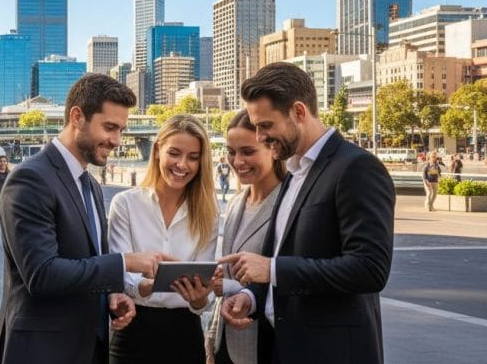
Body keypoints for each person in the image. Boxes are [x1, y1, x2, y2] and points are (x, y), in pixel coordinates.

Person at [219, 62, 395, 364]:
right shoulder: (294, 173)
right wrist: (251, 298)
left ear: (299, 112)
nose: (259, 136)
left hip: (331, 353)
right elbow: (286, 256)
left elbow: (369, 269)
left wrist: (272, 269)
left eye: (265, 125)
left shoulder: (356, 167)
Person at [0, 73, 175, 364]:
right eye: (110, 127)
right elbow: (42, 274)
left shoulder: (90, 184)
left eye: (121, 130)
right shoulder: (30, 179)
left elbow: (88, 260)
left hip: (87, 348)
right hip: (43, 351)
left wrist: (112, 295)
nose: (116, 140)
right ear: (77, 117)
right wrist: (125, 262)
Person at [107, 115, 219, 364]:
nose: (182, 165)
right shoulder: (125, 204)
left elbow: (205, 295)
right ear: (157, 150)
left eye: (193, 157)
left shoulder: (208, 213)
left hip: (185, 333)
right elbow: (119, 273)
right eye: (174, 153)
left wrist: (200, 297)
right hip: (133, 329)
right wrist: (148, 285)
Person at [206, 111, 286, 364]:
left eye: (248, 151)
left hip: (265, 342)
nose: (237, 161)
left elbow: (289, 276)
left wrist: (228, 286)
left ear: (273, 149)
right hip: (226, 340)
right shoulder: (235, 202)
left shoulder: (289, 204)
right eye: (231, 152)